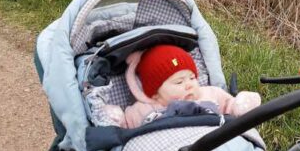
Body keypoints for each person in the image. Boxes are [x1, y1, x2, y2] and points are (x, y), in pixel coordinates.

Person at [102, 44, 260, 129]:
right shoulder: (144, 108)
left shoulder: (210, 93)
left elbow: (229, 105)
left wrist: (240, 104)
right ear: (155, 93)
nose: (189, 85)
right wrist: (116, 118)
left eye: (192, 78)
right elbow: (126, 127)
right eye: (179, 82)